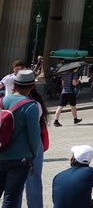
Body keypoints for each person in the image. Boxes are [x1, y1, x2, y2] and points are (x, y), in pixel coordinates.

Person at [0, 69, 42, 207]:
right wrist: (33, 155)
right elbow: (34, 137)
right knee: (11, 198)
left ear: (14, 85)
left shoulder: (2, 101)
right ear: (32, 87)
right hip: (20, 158)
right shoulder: (31, 106)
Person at [24, 87, 48, 208]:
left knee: (13, 185)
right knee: (33, 181)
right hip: (35, 145)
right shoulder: (36, 103)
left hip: (15, 146)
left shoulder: (6, 101)